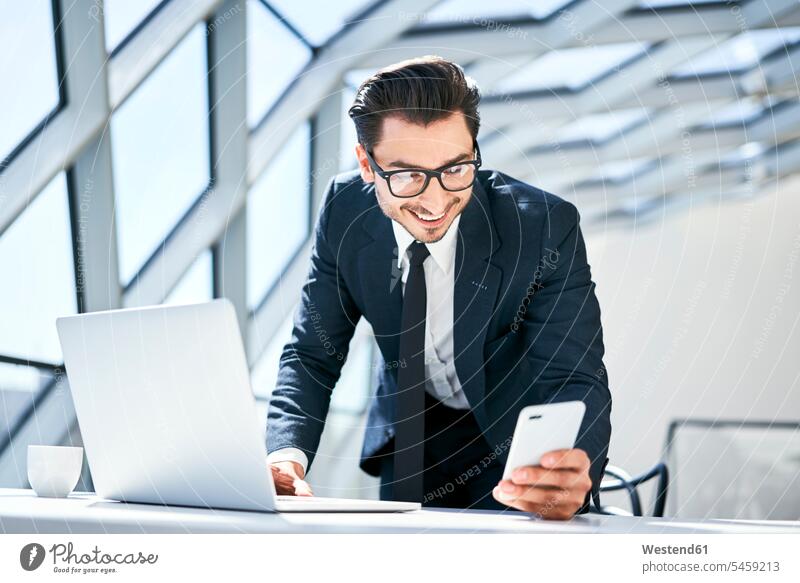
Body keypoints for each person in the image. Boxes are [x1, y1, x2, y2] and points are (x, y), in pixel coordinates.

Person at [266, 55, 611, 519]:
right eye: (407, 174)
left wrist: (575, 466)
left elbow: (571, 374)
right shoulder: (344, 211)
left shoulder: (545, 227)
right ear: (367, 166)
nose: (434, 200)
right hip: (410, 431)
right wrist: (285, 455)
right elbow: (313, 352)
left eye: (455, 168)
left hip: (511, 436)